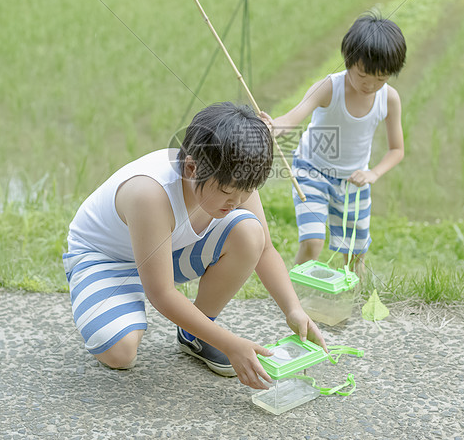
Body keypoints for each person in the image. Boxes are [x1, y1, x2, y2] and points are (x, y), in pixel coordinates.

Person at [63, 102, 327, 390]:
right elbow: (162, 294)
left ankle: (195, 333)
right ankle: (119, 295)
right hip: (107, 259)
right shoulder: (150, 194)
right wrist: (230, 343)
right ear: (191, 167)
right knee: (120, 352)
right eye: (228, 192)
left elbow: (264, 250)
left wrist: (294, 309)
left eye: (247, 191)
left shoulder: (235, 177)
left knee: (250, 233)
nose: (237, 201)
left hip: (169, 248)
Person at [263, 11, 406, 276]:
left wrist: (373, 173)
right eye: (363, 75)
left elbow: (397, 150)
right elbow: (293, 117)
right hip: (312, 170)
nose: (370, 85)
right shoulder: (329, 88)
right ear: (350, 61)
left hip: (354, 181)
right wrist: (273, 126)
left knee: (355, 251)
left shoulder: (389, 99)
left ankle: (351, 299)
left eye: (381, 79)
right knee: (313, 240)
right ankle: (295, 295)